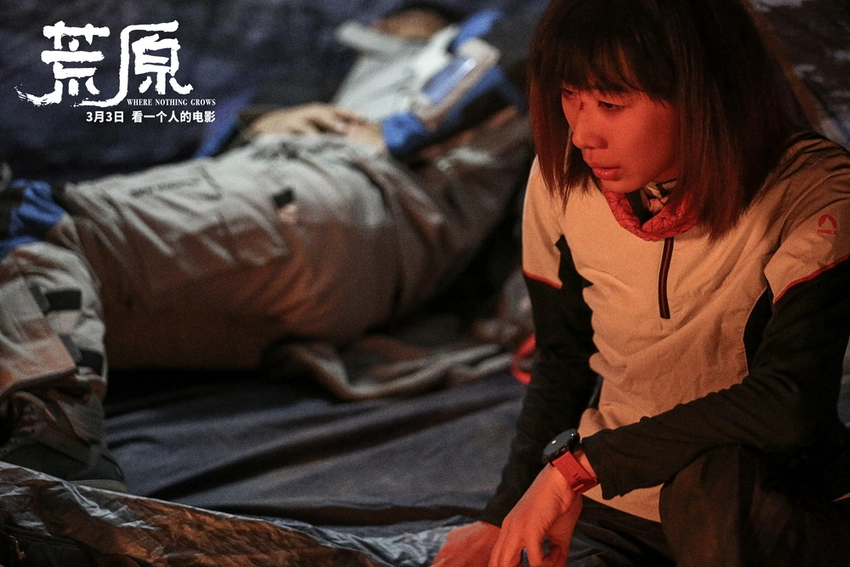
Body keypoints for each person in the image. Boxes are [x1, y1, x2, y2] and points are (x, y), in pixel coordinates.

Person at [0, 4, 534, 493]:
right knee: (50, 297)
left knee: (24, 217)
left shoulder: (491, 50)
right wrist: (260, 122)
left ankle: (57, 466)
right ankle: (47, 472)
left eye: (392, 17)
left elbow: (512, 52)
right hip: (322, 282)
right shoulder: (343, 74)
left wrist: (396, 133)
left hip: (333, 202)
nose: (375, 24)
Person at [431, 0, 850, 565]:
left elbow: (787, 403)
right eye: (570, 96)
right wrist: (501, 514)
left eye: (610, 103)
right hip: (611, 504)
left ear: (704, 93)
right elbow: (562, 359)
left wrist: (580, 466)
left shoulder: (813, 192)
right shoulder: (560, 181)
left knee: (712, 487)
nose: (583, 134)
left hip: (763, 500)